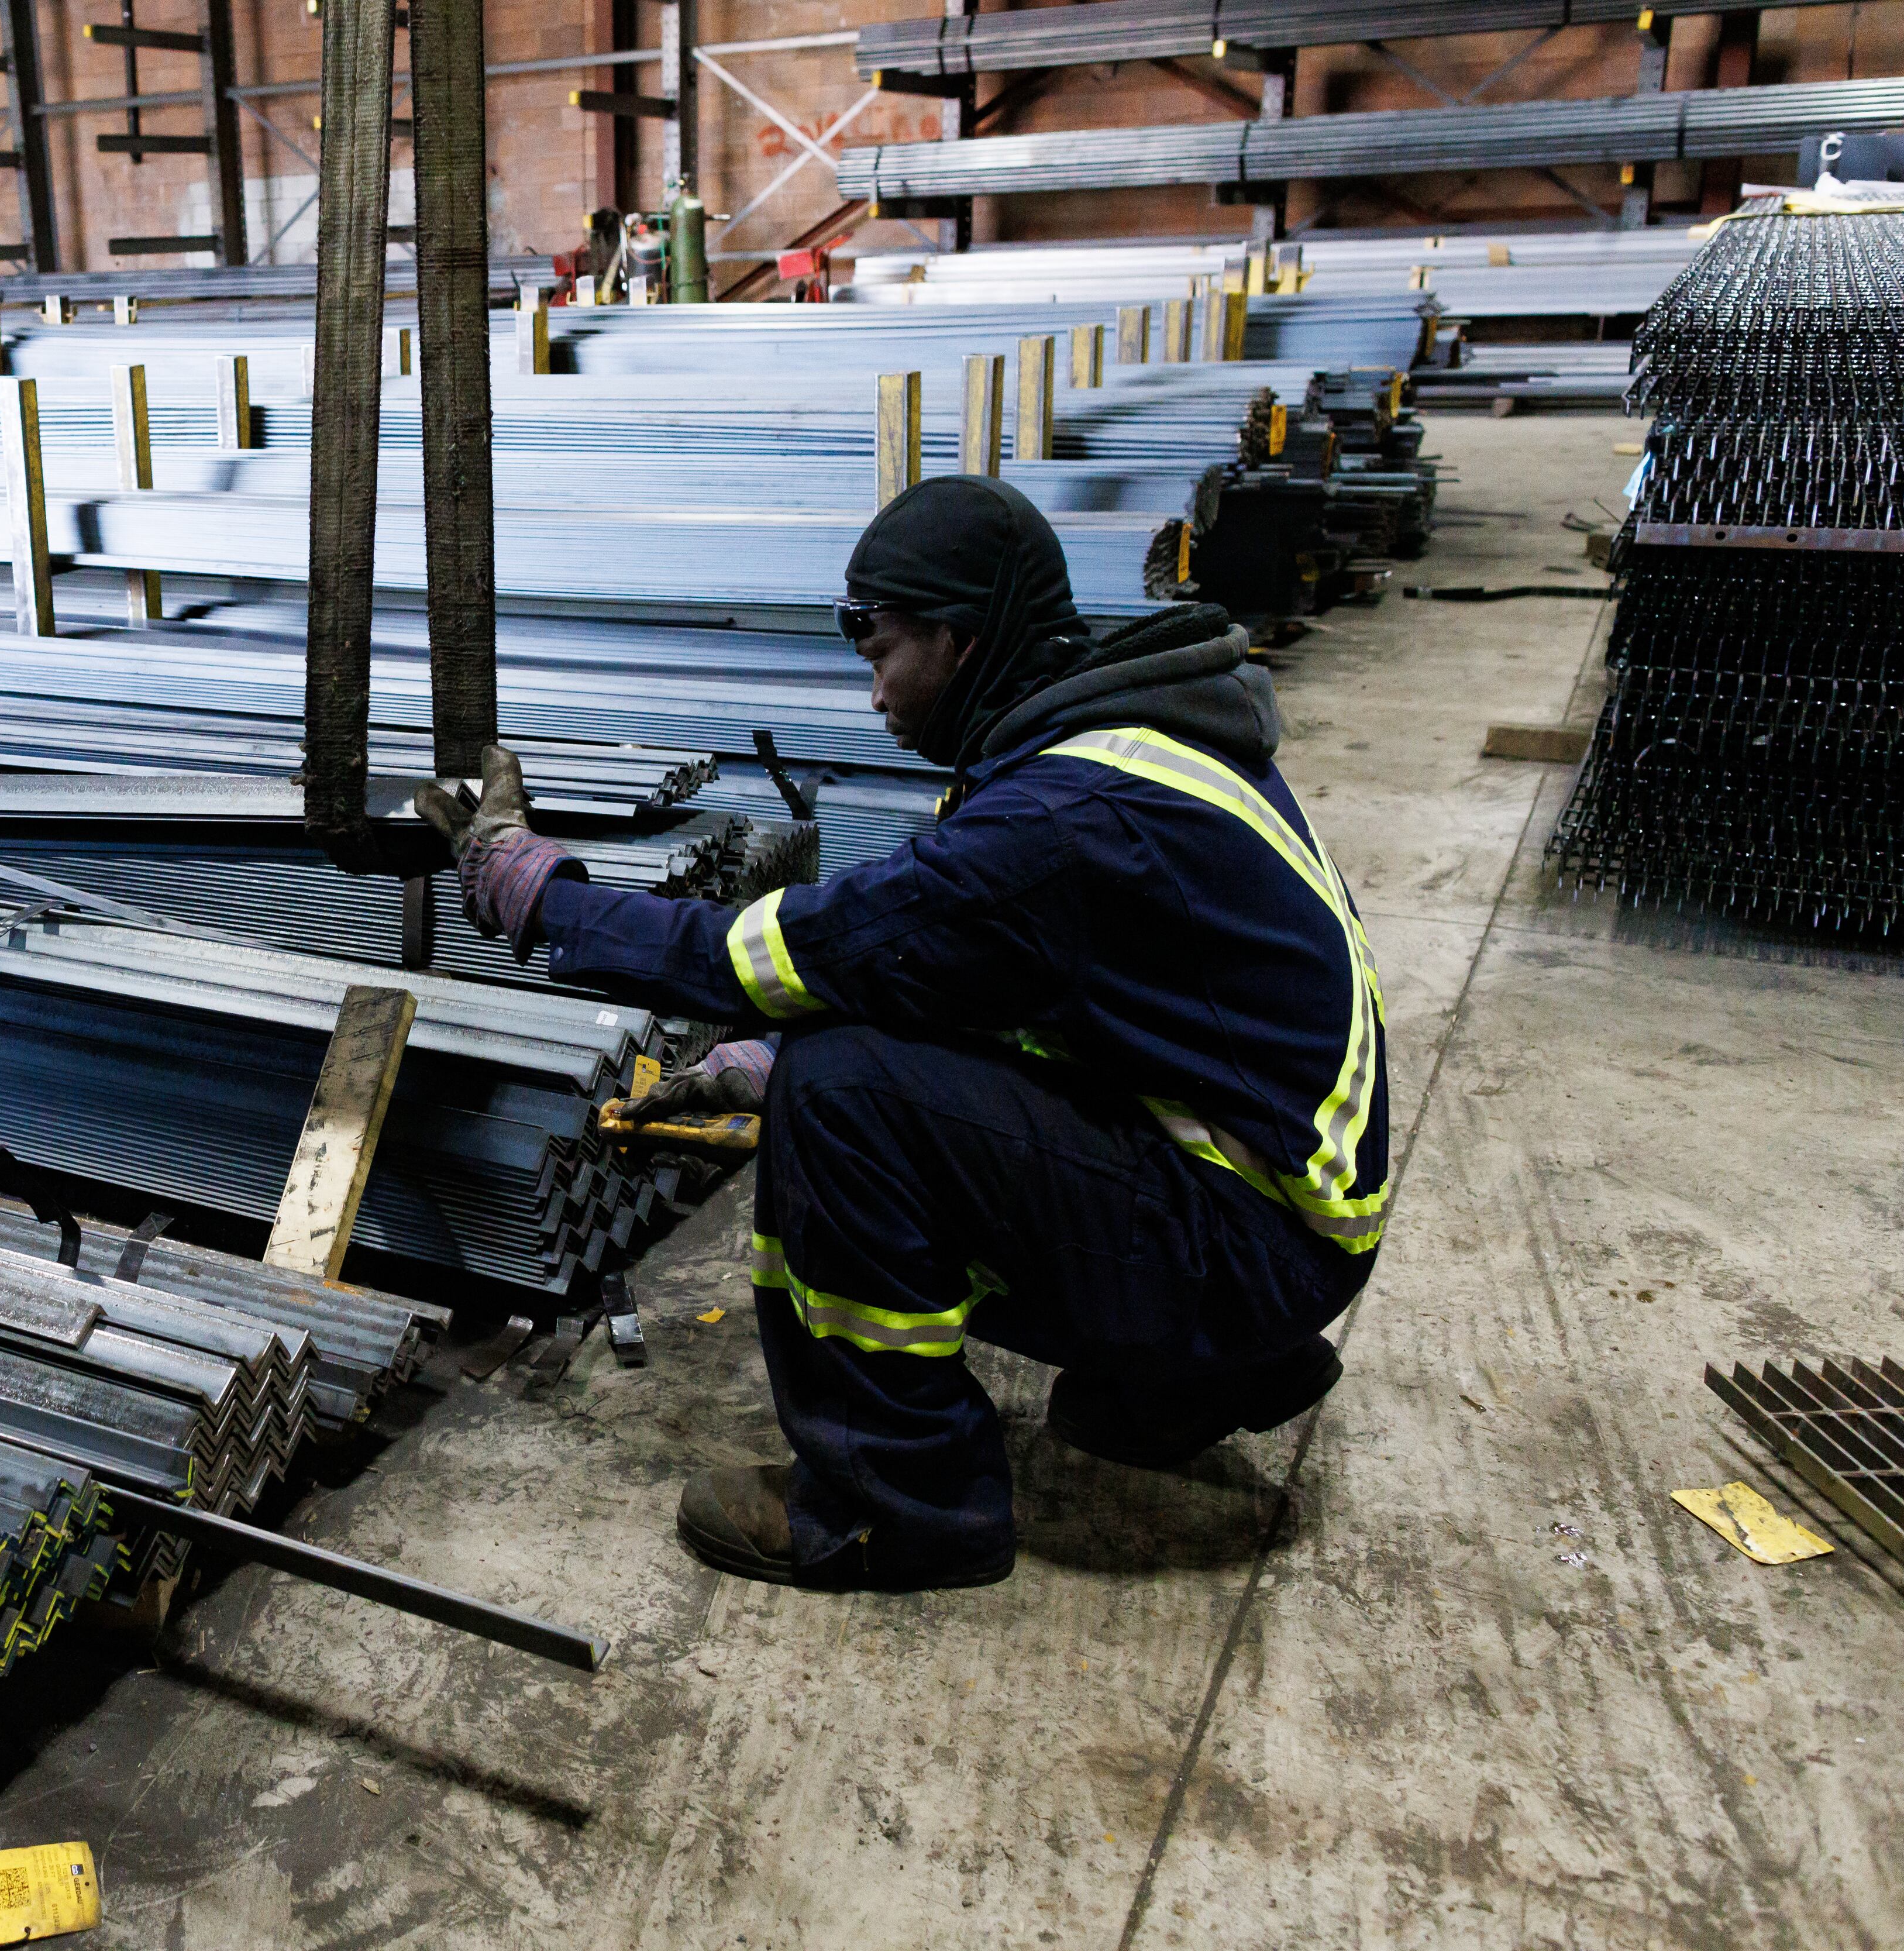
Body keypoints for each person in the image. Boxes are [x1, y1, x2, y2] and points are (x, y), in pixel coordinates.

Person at [416, 476, 1388, 1592]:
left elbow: (780, 955)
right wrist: (754, 1061)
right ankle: (1194, 1375)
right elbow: (1017, 997)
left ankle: (898, 1511)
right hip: (1283, 1209)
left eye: (881, 652)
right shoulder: (1127, 741)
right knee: (826, 1069)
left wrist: (545, 900)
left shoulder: (1060, 819)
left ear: (962, 639)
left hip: (1251, 1246)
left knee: (838, 1097)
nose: (872, 691)